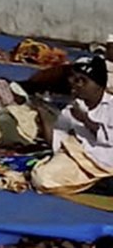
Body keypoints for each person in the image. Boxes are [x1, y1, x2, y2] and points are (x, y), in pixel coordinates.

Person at [30, 56, 113, 195]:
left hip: (107, 162)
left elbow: (109, 138)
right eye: (74, 79)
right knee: (41, 179)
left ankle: (98, 182)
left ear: (99, 85)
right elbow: (57, 142)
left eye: (83, 81)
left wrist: (85, 120)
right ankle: (96, 183)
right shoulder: (72, 108)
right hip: (80, 158)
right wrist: (42, 113)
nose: (76, 85)